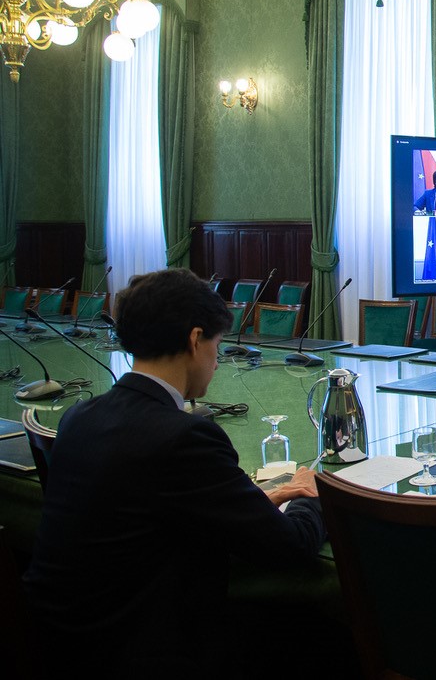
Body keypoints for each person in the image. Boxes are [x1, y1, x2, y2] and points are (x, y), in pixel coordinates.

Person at [22, 268, 326, 678]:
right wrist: (312, 495)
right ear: (195, 339)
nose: (217, 362)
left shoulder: (80, 416)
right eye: (217, 345)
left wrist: (254, 501)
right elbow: (288, 548)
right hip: (151, 652)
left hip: (60, 645)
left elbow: (148, 513)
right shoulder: (185, 437)